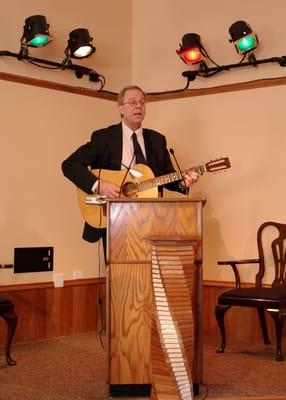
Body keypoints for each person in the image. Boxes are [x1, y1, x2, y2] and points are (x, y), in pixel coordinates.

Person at [61, 85, 199, 248]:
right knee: (118, 270)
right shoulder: (104, 137)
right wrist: (99, 186)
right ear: (121, 108)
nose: (139, 106)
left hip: (151, 217)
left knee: (150, 270)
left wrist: (183, 182)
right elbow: (70, 165)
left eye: (142, 102)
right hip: (114, 217)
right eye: (133, 102)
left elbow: (167, 176)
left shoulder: (156, 140)